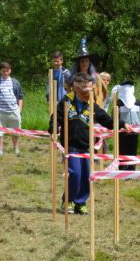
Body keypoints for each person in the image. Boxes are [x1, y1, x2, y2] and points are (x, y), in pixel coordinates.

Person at [49, 72, 130, 215]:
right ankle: (67, 200)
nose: (89, 91)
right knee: (75, 174)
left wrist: (122, 123)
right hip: (70, 145)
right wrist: (53, 129)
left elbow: (107, 121)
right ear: (76, 87)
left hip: (86, 146)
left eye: (90, 87)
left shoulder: (92, 105)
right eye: (85, 88)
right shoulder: (66, 101)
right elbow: (56, 117)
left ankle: (80, 203)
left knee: (86, 175)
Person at [0, 61, 24, 156]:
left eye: (7, 71)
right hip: (0, 111)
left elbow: (20, 97)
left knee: (16, 130)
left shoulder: (15, 82)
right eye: (3, 71)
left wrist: (19, 109)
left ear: (10, 71)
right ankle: (0, 150)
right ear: (0, 71)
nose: (5, 73)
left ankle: (16, 148)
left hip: (14, 110)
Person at [67, 38, 108, 107]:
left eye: (86, 61)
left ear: (89, 62)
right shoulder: (73, 78)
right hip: (76, 106)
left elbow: (102, 93)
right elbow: (68, 92)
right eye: (82, 61)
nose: (84, 63)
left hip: (92, 107)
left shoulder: (97, 77)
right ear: (78, 63)